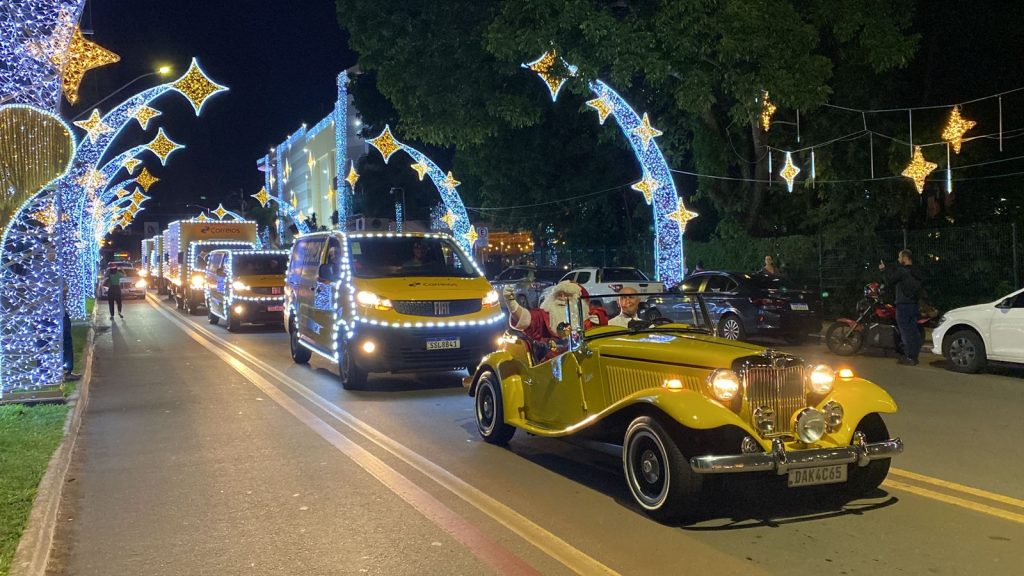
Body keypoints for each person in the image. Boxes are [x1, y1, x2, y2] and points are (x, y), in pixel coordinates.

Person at [503, 280, 601, 361]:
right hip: (553, 364)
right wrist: (512, 305)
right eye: (559, 294)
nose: (562, 298)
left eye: (568, 295)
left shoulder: (589, 316)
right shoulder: (544, 316)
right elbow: (528, 319)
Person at [880, 249, 924, 365]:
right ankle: (914, 355)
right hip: (914, 304)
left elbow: (889, 281)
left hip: (903, 304)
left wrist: (883, 270)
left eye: (900, 258)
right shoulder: (916, 271)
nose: (898, 260)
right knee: (913, 331)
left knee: (905, 331)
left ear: (905, 258)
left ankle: (909, 357)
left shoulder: (902, 271)